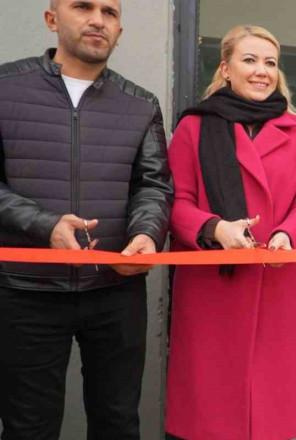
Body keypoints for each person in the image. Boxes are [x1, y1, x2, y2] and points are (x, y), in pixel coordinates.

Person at [0, 1, 173, 438]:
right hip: (24, 291)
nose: (98, 19)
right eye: (83, 6)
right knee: (28, 428)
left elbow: (153, 186)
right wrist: (45, 225)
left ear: (119, 30)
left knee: (117, 422)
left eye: (110, 13)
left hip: (115, 289)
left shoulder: (141, 104)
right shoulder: (5, 87)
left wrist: (147, 234)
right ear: (52, 19)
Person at [163, 25, 296, 440]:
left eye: (270, 63)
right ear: (226, 68)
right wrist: (214, 228)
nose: (262, 71)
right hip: (211, 290)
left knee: (273, 413)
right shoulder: (194, 128)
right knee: (212, 415)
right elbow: (174, 202)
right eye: (249, 60)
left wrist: (288, 235)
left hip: (277, 283)